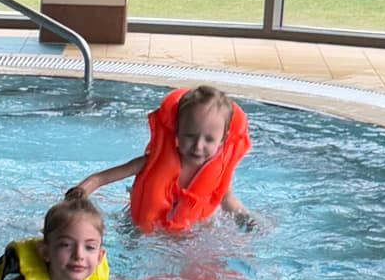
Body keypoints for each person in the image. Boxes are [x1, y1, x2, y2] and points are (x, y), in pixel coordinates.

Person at [69, 83, 254, 232]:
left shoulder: (218, 174)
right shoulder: (151, 162)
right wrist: (80, 192)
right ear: (177, 131)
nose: (198, 146)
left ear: (222, 140)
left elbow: (228, 201)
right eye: (190, 136)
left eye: (209, 139)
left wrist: (246, 219)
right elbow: (100, 178)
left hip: (187, 233)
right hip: (140, 227)